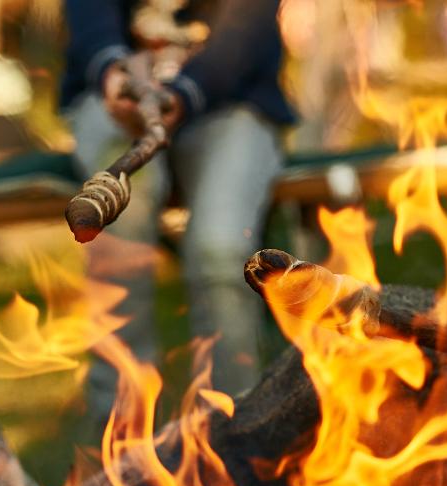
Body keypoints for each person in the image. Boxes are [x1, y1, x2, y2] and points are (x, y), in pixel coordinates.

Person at [61, 0, 294, 427]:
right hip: (110, 101)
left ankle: (236, 430)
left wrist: (186, 93)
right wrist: (114, 72)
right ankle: (121, 436)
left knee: (221, 249)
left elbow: (247, 25)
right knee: (119, 236)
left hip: (233, 99)